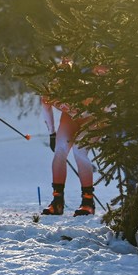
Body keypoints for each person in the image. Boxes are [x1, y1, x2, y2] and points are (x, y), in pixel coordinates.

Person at [40, 58, 101, 217]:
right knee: (60, 151)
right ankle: (57, 201)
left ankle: (88, 201)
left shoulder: (84, 89)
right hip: (70, 119)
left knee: (79, 150)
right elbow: (46, 109)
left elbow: (105, 107)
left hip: (91, 119)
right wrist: (52, 133)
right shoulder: (50, 90)